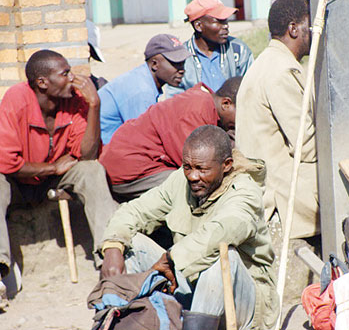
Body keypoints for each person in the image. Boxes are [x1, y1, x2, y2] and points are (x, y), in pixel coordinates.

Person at [100, 125, 279, 330]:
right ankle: (117, 320)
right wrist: (113, 246)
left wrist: (171, 259)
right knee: (131, 245)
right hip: (191, 289)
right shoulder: (181, 180)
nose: (193, 176)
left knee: (222, 256)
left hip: (244, 304)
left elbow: (221, 232)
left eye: (202, 170)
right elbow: (137, 210)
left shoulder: (245, 192)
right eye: (187, 167)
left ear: (226, 165)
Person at [0, 50, 118, 303]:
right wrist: (52, 168)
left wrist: (94, 105)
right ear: (42, 82)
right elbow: (8, 163)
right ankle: (0, 270)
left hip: (54, 178)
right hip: (20, 180)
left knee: (92, 171)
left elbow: (86, 155)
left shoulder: (75, 101)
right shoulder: (16, 99)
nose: (72, 78)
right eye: (64, 73)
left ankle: (111, 260)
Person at [235, 0, 319, 239]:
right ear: (294, 29)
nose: (315, 32)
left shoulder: (267, 61)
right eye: (310, 26)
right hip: (279, 195)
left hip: (264, 184)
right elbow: (307, 147)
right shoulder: (282, 71)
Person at [99, 77, 242, 203]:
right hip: (129, 169)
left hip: (143, 163)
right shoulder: (197, 108)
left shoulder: (206, 101)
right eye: (242, 114)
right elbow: (195, 164)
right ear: (226, 104)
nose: (241, 122)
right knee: (196, 185)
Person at [98, 34, 191, 144]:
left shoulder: (142, 78)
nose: (182, 70)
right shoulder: (142, 91)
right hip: (104, 151)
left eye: (183, 63)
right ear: (155, 64)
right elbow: (143, 141)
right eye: (176, 64)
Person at [166, 0, 253, 98]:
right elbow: (174, 100)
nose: (226, 26)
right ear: (198, 26)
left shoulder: (238, 50)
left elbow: (252, 88)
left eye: (225, 20)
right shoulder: (180, 58)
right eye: (219, 21)